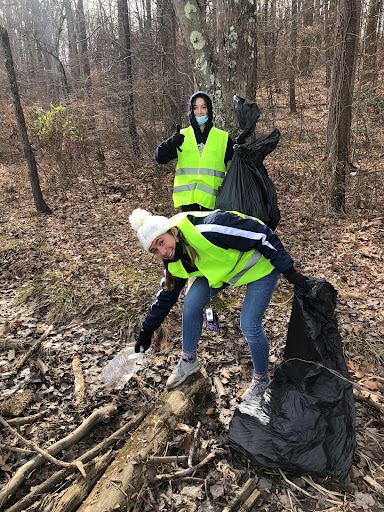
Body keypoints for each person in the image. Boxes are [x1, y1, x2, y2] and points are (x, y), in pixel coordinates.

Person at [129, 208, 309, 400]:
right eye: (154, 251)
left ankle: (261, 380)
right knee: (191, 302)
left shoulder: (211, 227)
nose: (163, 252)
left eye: (161, 242)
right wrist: (147, 330)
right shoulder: (173, 262)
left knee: (249, 324)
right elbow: (165, 295)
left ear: (173, 231)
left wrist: (289, 271)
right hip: (226, 270)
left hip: (261, 265)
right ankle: (188, 361)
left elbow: (261, 234)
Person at [155, 91, 234, 212]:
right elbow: (159, 158)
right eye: (195, 107)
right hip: (188, 201)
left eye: (203, 107)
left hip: (213, 201)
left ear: (209, 110)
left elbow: (236, 165)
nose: (199, 111)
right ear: (191, 111)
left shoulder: (223, 138)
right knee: (191, 231)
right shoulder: (182, 136)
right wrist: (170, 144)